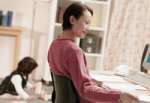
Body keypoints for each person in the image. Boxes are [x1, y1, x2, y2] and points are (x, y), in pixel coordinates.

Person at [48, 2, 139, 103]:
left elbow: (69, 79)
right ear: (72, 20)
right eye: (86, 23)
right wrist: (119, 96)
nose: (88, 28)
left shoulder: (54, 45)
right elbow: (85, 90)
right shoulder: (74, 51)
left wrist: (92, 82)